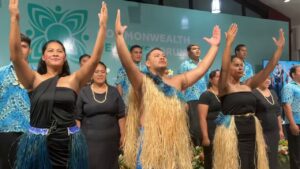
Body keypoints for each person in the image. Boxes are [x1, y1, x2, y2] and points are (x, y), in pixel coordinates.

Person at [115, 9, 221, 169]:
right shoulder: (142, 81)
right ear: (147, 64)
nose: (162, 56)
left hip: (174, 142)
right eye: (156, 55)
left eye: (163, 55)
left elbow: (201, 69)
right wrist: (119, 36)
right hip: (151, 142)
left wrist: (214, 46)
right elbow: (127, 64)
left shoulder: (177, 81)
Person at [9, 0, 107, 168]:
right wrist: (14, 18)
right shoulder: (33, 79)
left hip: (68, 145)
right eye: (50, 51)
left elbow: (95, 59)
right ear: (43, 57)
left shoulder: (74, 80)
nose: (55, 53)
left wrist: (103, 27)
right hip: (38, 145)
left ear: (65, 57)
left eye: (60, 51)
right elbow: (16, 56)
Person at [213, 24, 285, 169]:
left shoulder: (248, 85)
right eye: (237, 64)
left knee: (252, 163)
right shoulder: (224, 87)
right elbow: (224, 67)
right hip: (232, 131)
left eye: (242, 65)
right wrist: (228, 43)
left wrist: (279, 49)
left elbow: (268, 69)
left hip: (252, 130)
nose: (241, 67)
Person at [76, 61, 126, 169]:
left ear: (106, 74)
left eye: (102, 72)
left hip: (111, 140)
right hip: (89, 140)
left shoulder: (114, 91)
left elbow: (121, 115)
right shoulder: (83, 92)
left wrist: (123, 134)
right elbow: (77, 117)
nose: (100, 74)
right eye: (96, 72)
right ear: (91, 75)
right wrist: (77, 137)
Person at [0, 33, 32, 169]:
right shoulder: (1, 73)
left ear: (29, 51)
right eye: (17, 46)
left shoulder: (36, 75)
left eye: (24, 46)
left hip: (31, 132)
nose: (20, 49)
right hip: (5, 131)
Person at [178, 44, 210, 146]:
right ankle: (196, 150)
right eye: (194, 49)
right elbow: (181, 84)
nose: (197, 50)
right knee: (195, 126)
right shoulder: (185, 65)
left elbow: (208, 81)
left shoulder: (204, 64)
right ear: (189, 52)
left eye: (198, 48)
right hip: (191, 98)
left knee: (205, 124)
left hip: (204, 98)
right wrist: (183, 100)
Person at [253, 76, 284, 169]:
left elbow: (278, 112)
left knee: (273, 157)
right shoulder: (253, 93)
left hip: (274, 131)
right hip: (262, 131)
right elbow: (252, 114)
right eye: (264, 78)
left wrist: (280, 130)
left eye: (269, 78)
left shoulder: (273, 92)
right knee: (263, 156)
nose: (267, 80)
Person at [198, 69, 221, 169]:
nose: (221, 79)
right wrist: (205, 137)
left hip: (224, 131)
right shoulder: (205, 95)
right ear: (211, 80)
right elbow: (202, 118)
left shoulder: (225, 94)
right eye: (218, 76)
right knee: (211, 160)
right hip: (211, 130)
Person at [282, 65, 300, 169]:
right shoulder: (288, 86)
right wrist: (292, 124)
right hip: (295, 123)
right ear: (293, 75)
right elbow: (286, 105)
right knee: (296, 154)